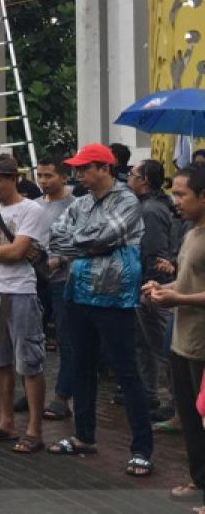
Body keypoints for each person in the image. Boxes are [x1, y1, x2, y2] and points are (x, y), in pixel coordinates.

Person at [47, 143, 152, 477]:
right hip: (78, 293)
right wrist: (87, 244)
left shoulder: (127, 200)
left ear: (104, 168)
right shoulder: (80, 202)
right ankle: (83, 435)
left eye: (84, 168)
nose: (78, 174)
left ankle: (141, 449)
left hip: (115, 298)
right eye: (76, 169)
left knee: (126, 372)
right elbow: (57, 238)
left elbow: (106, 236)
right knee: (81, 367)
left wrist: (83, 245)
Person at [0, 154, 48, 455]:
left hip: (21, 291)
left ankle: (34, 429)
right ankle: (6, 422)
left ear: (13, 179)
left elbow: (18, 251)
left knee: (29, 361)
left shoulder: (32, 209)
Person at [144, 166, 205, 508]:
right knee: (191, 418)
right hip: (183, 339)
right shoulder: (191, 232)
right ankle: (198, 479)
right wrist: (162, 288)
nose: (175, 201)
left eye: (182, 194)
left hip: (202, 344)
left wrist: (177, 299)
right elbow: (187, 282)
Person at [128, 158, 177, 419]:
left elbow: (156, 253)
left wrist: (151, 289)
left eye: (133, 174)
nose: (129, 178)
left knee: (163, 347)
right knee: (144, 343)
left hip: (153, 288)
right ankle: (147, 394)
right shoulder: (148, 206)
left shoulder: (150, 211)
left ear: (144, 180)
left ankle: (174, 403)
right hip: (147, 284)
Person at [34, 155, 76, 421]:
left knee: (65, 338)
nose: (43, 181)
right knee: (31, 335)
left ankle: (63, 395)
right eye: (40, 175)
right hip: (35, 278)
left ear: (63, 176)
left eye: (48, 175)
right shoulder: (35, 205)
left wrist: (60, 260)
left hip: (64, 280)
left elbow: (84, 241)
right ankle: (32, 391)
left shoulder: (76, 205)